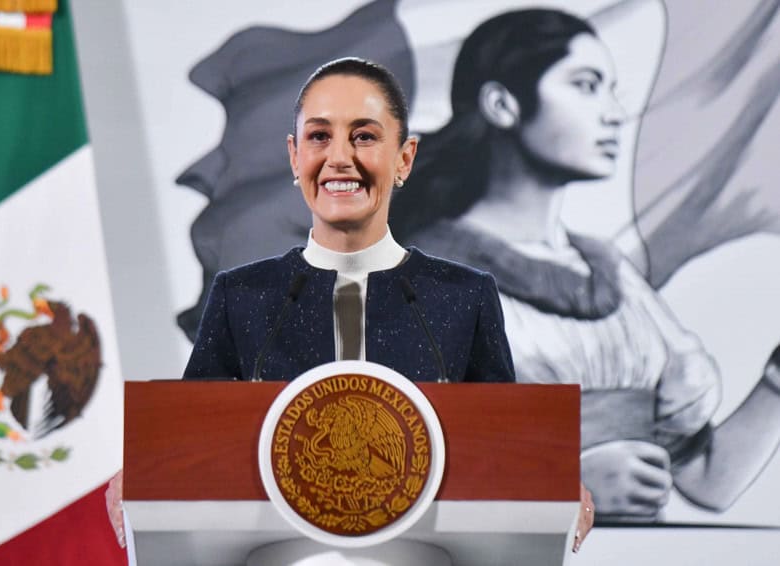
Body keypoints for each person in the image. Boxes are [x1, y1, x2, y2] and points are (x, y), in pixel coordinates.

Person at [181, 57, 594, 551]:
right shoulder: (241, 297)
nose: (338, 157)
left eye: (364, 136)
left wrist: (548, 477)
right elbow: (185, 445)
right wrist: (143, 471)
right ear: (295, 158)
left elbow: (500, 446)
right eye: (318, 137)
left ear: (404, 158)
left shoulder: (463, 297)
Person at [392, 8, 780, 522]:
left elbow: (708, 481)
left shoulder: (611, 274)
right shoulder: (423, 279)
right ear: (502, 104)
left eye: (612, 88)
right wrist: (564, 485)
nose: (616, 113)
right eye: (586, 85)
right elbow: (391, 476)